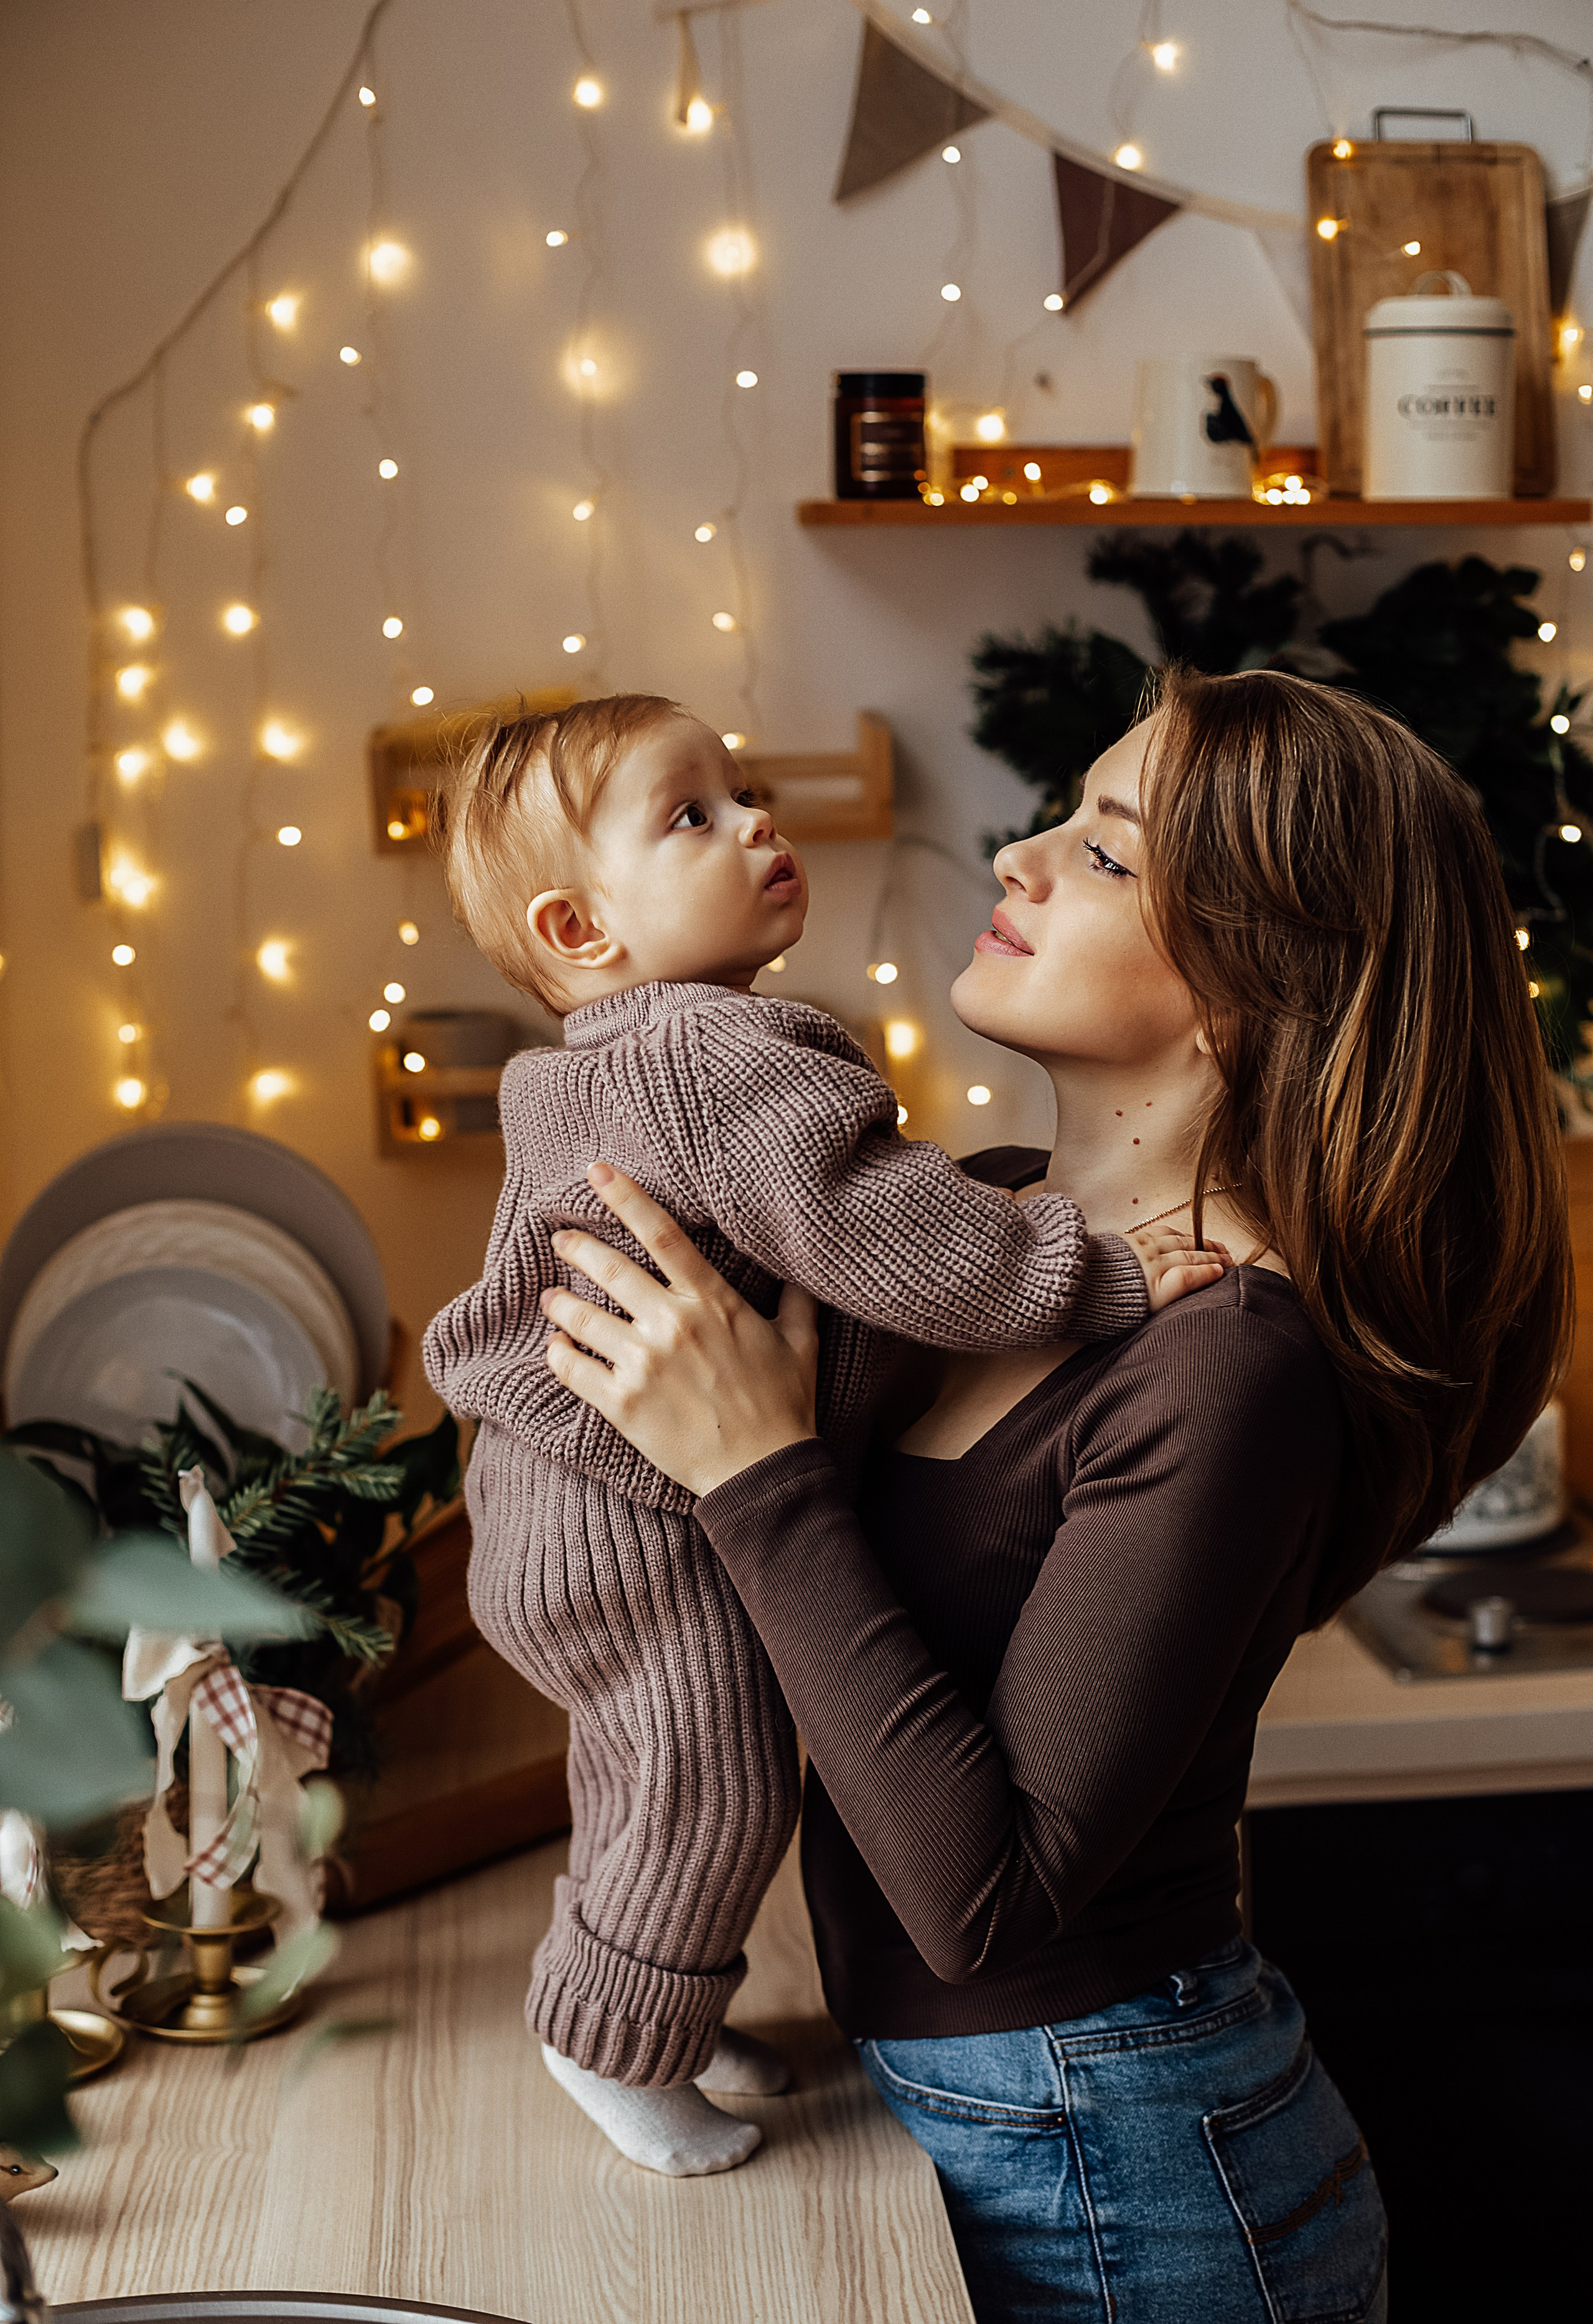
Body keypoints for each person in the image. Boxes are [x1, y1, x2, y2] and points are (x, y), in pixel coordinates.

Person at [532, 668, 1572, 2322]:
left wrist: (756, 1468)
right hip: (965, 2108)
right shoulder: (986, 1236)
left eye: (1104, 853)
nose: (1017, 854)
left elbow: (985, 1897)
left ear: (1253, 987)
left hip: (1131, 2161)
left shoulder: (1231, 1357)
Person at [423, 693, 1223, 2179]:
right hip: (627, 1501)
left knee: (650, 1763)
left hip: (560, 1499)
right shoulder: (720, 1055)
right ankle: (610, 2033)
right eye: (693, 818)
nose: (753, 823)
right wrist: (1093, 1272)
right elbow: (886, 1228)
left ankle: (656, 1997)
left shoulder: (610, 1057)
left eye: (740, 792)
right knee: (704, 1770)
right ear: (581, 929)